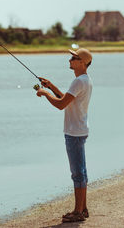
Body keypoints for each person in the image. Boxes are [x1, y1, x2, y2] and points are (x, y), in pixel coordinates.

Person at [36, 48, 93, 223]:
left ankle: (78, 211)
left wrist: (45, 93)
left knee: (78, 173)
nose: (70, 60)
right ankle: (82, 209)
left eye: (73, 58)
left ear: (82, 63)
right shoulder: (83, 80)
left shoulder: (79, 82)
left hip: (74, 132)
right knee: (81, 172)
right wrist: (51, 87)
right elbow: (67, 100)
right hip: (79, 130)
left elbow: (61, 105)